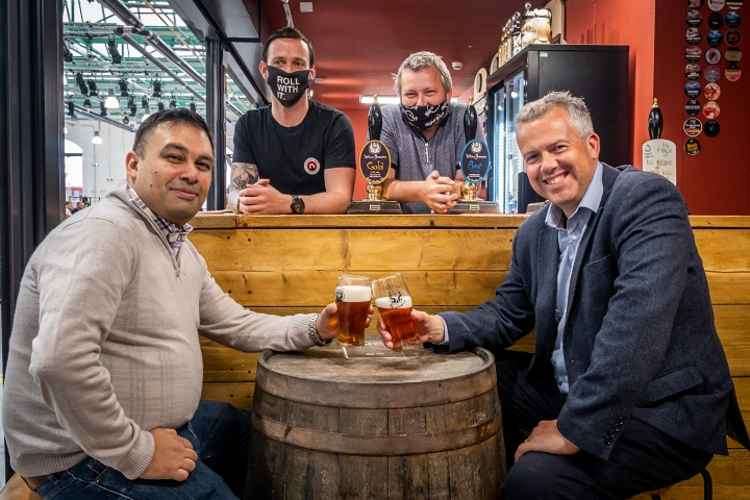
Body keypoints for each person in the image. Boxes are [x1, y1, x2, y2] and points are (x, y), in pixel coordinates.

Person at [377, 91, 749, 498]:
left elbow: (637, 326)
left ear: (592, 145)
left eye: (558, 148)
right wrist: (440, 327)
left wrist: (574, 430)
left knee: (535, 482)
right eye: (533, 156)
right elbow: (508, 313)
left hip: (658, 408)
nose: (547, 165)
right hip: (567, 385)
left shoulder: (645, 199)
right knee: (463, 384)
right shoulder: (536, 231)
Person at [3, 109, 353, 500]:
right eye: (174, 157)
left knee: (250, 431)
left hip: (163, 428)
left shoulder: (178, 247)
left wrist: (315, 329)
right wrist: (138, 452)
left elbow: (235, 323)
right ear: (133, 165)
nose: (191, 173)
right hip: (82, 458)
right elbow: (59, 360)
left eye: (202, 164)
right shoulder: (104, 234)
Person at [228, 27, 355, 215]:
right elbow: (236, 192)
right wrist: (243, 201)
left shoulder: (335, 124)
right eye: (279, 62)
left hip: (323, 237)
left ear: (311, 73)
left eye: (297, 63)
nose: (288, 71)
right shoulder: (248, 125)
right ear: (264, 70)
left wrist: (287, 203)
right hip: (262, 236)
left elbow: (341, 198)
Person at [378, 51, 484, 213]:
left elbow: (471, 182)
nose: (420, 103)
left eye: (429, 92)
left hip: (456, 226)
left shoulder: (466, 118)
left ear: (447, 94)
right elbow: (382, 186)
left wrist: (444, 191)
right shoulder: (387, 118)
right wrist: (423, 191)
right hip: (400, 228)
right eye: (411, 94)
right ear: (400, 97)